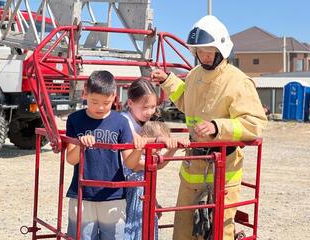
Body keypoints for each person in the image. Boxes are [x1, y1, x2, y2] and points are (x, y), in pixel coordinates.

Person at [151, 15, 268, 240]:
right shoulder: (194, 75)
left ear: (221, 49)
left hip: (224, 169)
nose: (203, 56)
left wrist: (217, 127)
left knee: (219, 229)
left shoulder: (238, 81)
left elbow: (254, 123)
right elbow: (187, 100)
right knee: (184, 225)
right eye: (199, 52)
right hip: (193, 165)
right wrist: (167, 80)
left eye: (209, 51)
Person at [65, 70, 145, 240]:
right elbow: (70, 159)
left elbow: (130, 164)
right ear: (85, 93)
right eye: (94, 102)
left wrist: (139, 148)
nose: (100, 107)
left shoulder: (121, 122)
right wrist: (81, 145)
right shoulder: (74, 119)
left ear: (114, 96)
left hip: (113, 196)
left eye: (106, 102)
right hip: (82, 194)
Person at [121, 79, 189, 239]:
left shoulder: (147, 123)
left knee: (144, 225)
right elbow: (138, 163)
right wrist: (161, 142)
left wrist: (173, 147)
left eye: (153, 107)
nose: (150, 111)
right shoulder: (125, 122)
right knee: (133, 226)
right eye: (145, 107)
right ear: (130, 103)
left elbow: (151, 165)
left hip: (140, 186)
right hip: (126, 185)